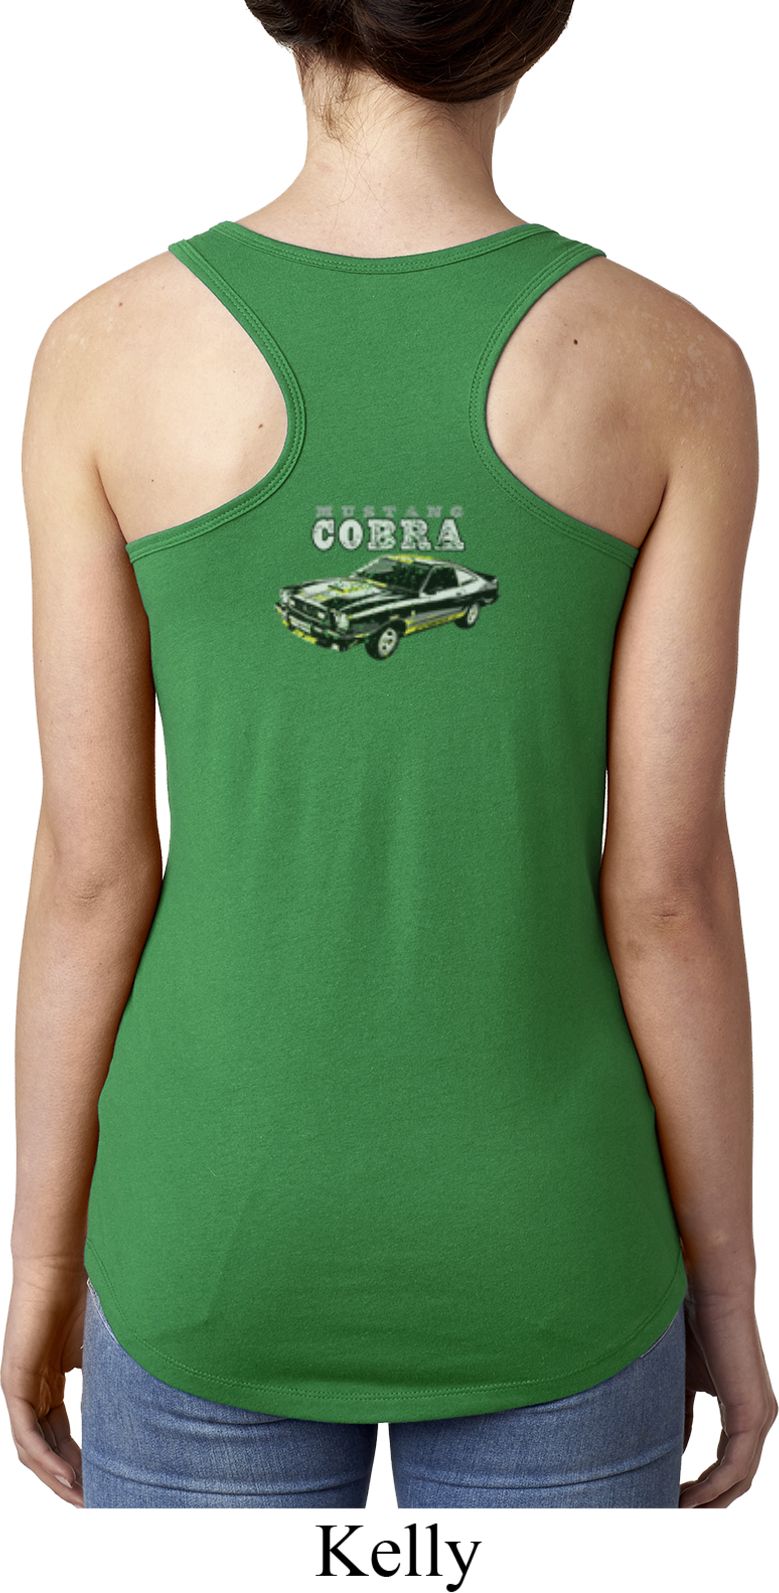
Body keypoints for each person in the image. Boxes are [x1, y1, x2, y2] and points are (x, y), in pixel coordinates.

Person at [2, 0, 775, 1511]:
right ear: (530, 26)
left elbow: (93, 874)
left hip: (206, 1237)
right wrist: (729, 1289)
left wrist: (39, 1260)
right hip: (553, 1244)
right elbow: (666, 894)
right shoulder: (674, 366)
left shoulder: (102, 354)